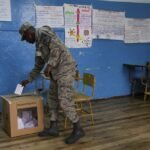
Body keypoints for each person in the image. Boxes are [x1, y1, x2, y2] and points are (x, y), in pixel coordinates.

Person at [19, 22, 85, 144]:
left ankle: (78, 128)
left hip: (65, 70)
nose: (26, 41)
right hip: (55, 73)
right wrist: (28, 79)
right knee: (51, 99)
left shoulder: (43, 32)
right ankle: (54, 127)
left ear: (29, 32)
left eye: (25, 38)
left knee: (64, 100)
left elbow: (57, 49)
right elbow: (38, 65)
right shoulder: (38, 45)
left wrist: (49, 66)